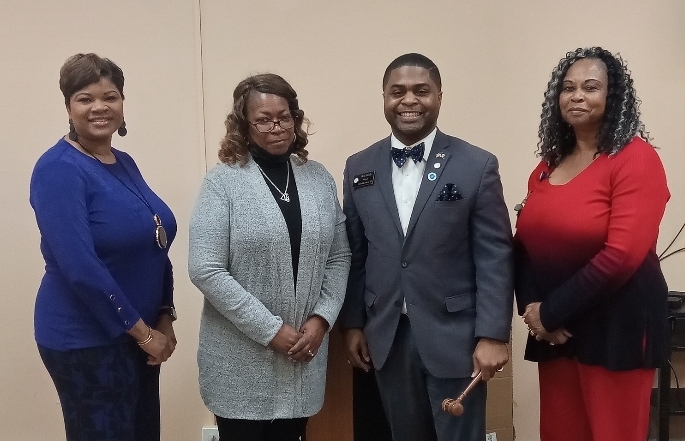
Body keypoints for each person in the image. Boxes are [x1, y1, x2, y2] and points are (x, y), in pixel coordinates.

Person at [339, 53, 513, 441]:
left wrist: (493, 334)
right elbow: (354, 253)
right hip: (387, 335)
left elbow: (495, 256)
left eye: (422, 91)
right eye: (397, 91)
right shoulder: (358, 167)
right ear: (383, 97)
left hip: (456, 337)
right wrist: (352, 322)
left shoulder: (476, 164)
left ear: (439, 96)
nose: (409, 100)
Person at [515, 47, 670, 441]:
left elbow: (621, 256)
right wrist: (533, 310)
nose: (576, 96)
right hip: (556, 332)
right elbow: (523, 245)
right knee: (561, 433)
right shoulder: (549, 164)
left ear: (612, 96)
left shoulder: (636, 158)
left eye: (590, 87)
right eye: (567, 88)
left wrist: (551, 312)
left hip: (616, 326)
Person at [188, 73, 351, 441]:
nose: (276, 127)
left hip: (303, 362)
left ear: (295, 119)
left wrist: (322, 319)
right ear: (243, 125)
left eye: (285, 116)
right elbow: (205, 269)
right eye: (263, 119)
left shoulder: (318, 179)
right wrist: (271, 330)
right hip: (240, 367)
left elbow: (339, 258)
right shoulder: (223, 183)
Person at [30, 53, 178, 441]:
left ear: (122, 103)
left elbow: (155, 240)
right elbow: (80, 266)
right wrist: (145, 334)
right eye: (85, 98)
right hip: (87, 340)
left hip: (138, 335)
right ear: (68, 107)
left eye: (110, 96)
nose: (100, 107)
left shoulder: (123, 162)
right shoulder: (58, 169)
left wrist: (164, 315)